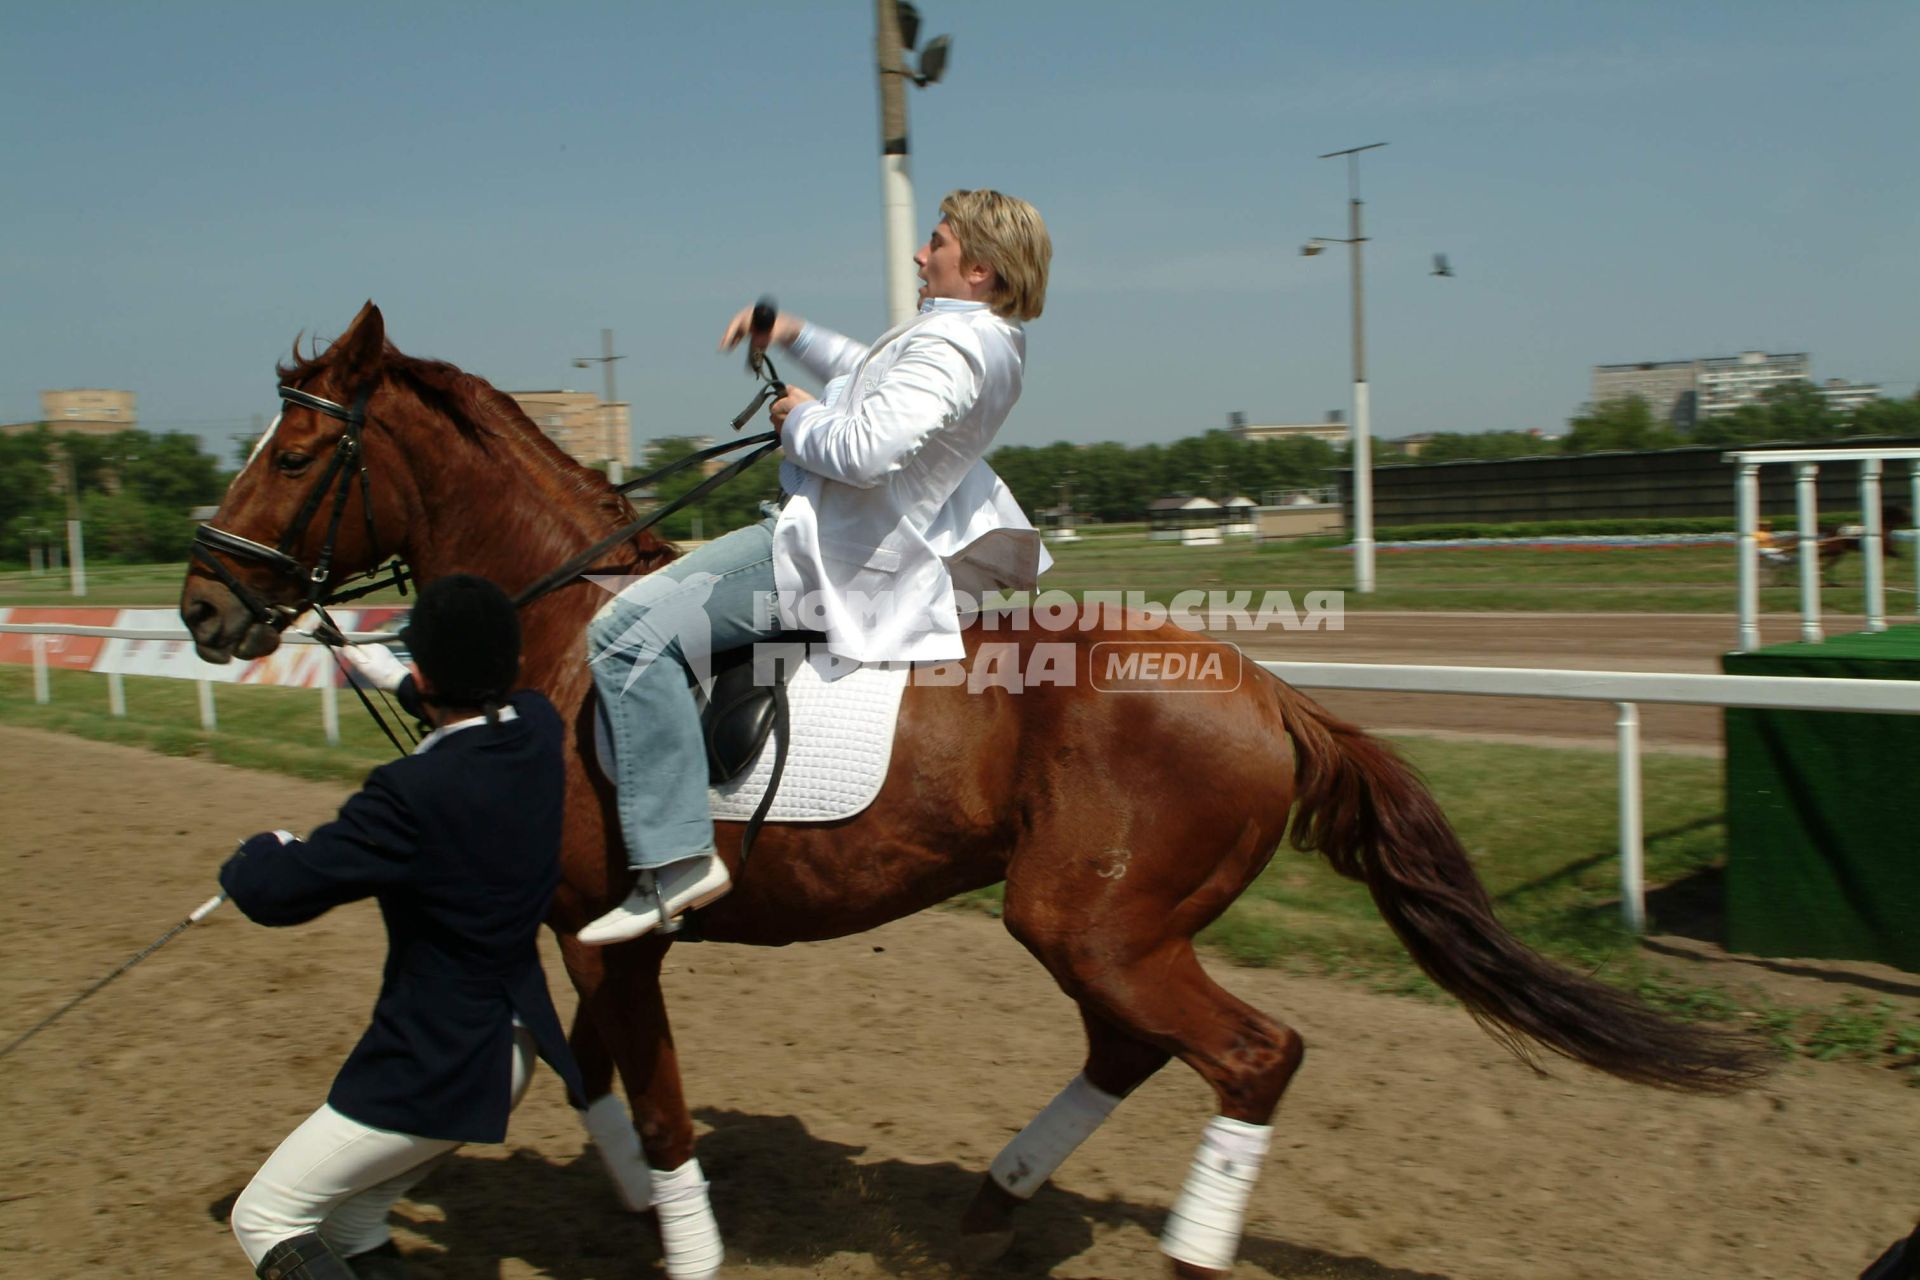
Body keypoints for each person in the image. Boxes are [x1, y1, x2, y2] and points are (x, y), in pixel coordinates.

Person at [580, 187, 1053, 944]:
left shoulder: (952, 345)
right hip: (852, 546)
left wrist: (798, 421)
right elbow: (870, 372)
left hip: (828, 556)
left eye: (935, 243)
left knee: (625, 632)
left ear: (982, 269)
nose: (918, 254)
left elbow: (864, 451)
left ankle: (673, 859)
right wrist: (794, 332)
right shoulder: (980, 339)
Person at [223, 574, 584, 1279]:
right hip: (513, 1046)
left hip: (437, 1062)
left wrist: (256, 852)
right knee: (355, 1222)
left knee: (266, 1218)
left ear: (422, 668)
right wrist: (384, 670)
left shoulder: (409, 793)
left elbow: (277, 895)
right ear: (510, 667)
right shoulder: (540, 728)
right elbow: (466, 703)